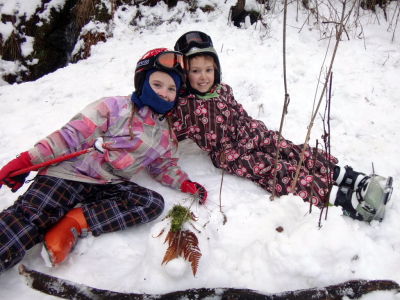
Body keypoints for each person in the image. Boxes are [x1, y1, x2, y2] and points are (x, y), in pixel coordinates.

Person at [0, 48, 207, 275]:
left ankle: (75, 222)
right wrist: (25, 162)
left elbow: (163, 166)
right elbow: (68, 137)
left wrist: (185, 183)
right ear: (142, 81)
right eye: (157, 84)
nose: (164, 93)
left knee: (151, 203)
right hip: (69, 173)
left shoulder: (165, 134)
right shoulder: (115, 107)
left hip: (109, 184)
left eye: (171, 89)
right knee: (30, 219)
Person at [170, 31, 393, 223]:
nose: (203, 77)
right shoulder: (183, 107)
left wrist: (255, 130)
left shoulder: (223, 89)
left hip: (252, 133)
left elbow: (239, 111)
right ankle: (341, 198)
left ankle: (345, 176)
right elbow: (162, 123)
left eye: (208, 70)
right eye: (195, 71)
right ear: (183, 73)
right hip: (231, 153)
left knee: (290, 150)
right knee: (277, 169)